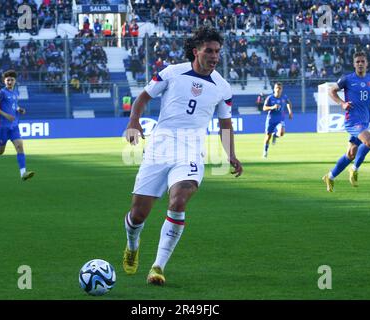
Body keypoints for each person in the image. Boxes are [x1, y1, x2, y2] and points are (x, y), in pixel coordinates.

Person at [122, 26, 243, 285]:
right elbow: (143, 97)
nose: (214, 56)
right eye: (209, 51)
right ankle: (132, 245)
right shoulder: (172, 72)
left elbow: (225, 124)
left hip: (191, 149)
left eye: (217, 52)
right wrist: (134, 121)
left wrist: (231, 154)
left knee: (179, 200)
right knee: (138, 215)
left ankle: (157, 267)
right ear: (195, 51)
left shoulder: (222, 87)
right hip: (160, 146)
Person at [322, 51, 370, 192]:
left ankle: (330, 176)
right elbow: (332, 91)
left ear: (367, 63)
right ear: (354, 64)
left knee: (351, 154)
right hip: (352, 121)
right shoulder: (347, 79)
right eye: (357, 62)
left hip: (365, 121)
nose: (360, 64)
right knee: (369, 141)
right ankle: (354, 170)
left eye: (363, 61)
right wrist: (342, 103)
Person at [262, 82, 293, 158]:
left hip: (280, 119)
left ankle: (275, 135)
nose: (278, 90)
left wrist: (290, 112)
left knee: (282, 132)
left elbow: (288, 103)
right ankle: (265, 151)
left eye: (280, 88)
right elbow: (264, 108)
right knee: (267, 137)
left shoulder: (284, 97)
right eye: (276, 88)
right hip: (271, 120)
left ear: (282, 89)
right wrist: (272, 107)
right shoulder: (270, 98)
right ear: (274, 89)